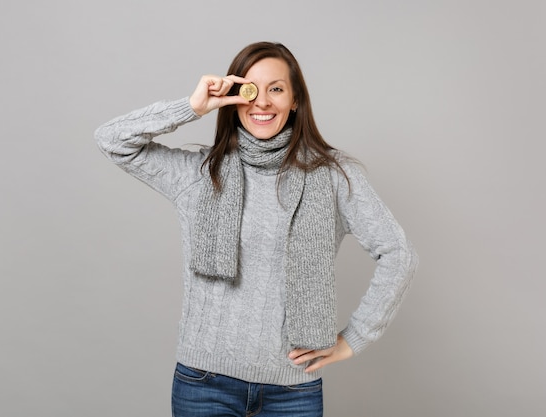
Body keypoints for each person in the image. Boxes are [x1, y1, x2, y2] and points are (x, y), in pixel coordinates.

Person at [95, 41, 418, 417]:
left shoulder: (333, 177)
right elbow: (112, 140)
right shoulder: (201, 175)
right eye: (249, 90)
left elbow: (398, 253)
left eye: (276, 89)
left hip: (292, 393)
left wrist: (354, 339)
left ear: (295, 100)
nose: (262, 102)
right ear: (234, 97)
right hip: (203, 386)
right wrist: (193, 106)